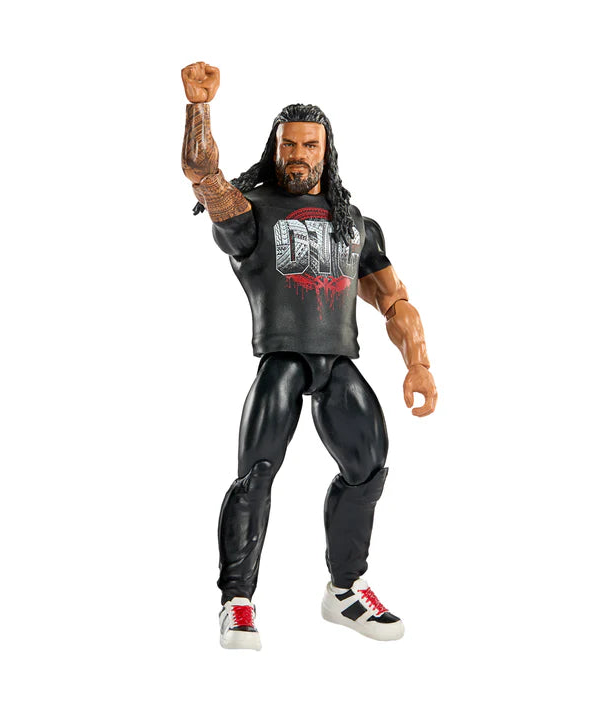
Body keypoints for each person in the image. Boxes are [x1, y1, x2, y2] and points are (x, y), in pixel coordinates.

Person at [181, 62, 438, 650]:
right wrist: (199, 109)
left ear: (328, 151)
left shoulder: (356, 226)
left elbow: (394, 299)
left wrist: (418, 362)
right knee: (256, 473)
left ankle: (344, 591)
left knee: (368, 466)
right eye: (289, 145)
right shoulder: (250, 213)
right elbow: (204, 175)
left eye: (309, 145)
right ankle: (237, 599)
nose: (298, 155)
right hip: (282, 360)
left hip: (337, 363)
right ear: (275, 150)